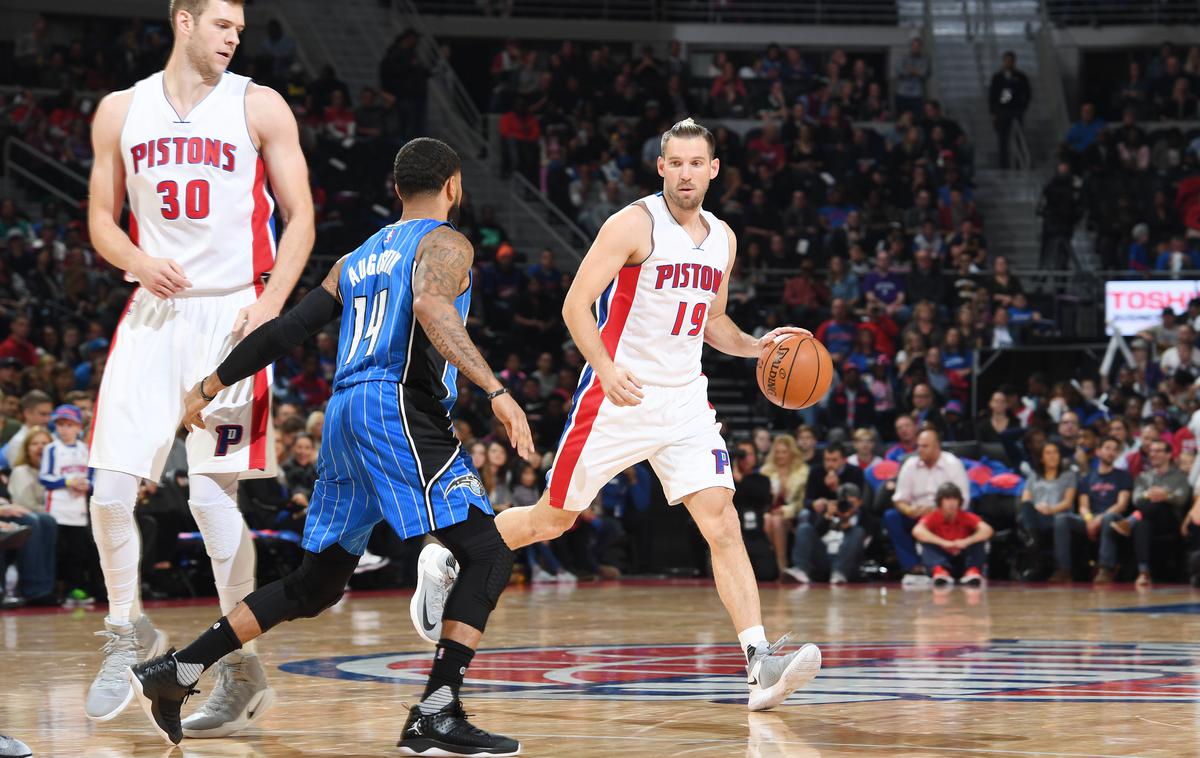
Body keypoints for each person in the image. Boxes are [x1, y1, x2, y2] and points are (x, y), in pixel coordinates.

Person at [129, 138, 531, 755]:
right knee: (488, 551)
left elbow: (289, 328)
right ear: (453, 186)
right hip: (396, 405)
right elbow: (429, 305)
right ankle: (437, 710)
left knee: (314, 585)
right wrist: (498, 390)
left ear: (396, 190)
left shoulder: (356, 258)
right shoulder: (446, 242)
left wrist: (210, 383)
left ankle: (178, 670)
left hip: (343, 414)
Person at [412, 118, 822, 712]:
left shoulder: (723, 239)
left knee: (723, 522)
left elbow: (713, 322)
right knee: (553, 520)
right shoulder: (634, 223)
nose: (684, 173)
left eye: (695, 163)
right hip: (616, 395)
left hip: (684, 401)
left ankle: (759, 660)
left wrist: (758, 346)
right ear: (661, 167)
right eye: (674, 163)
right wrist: (604, 369)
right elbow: (575, 304)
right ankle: (450, 553)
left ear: (713, 169)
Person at [83, 0, 316, 731]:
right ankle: (127, 630)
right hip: (153, 311)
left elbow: (301, 215)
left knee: (212, 501)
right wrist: (135, 258)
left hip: (232, 315)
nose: (233, 37)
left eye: (239, 30)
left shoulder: (261, 105)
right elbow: (98, 217)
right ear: (182, 21)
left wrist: (273, 302)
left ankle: (241, 668)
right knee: (109, 490)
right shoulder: (120, 110)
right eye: (222, 25)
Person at [884, 429, 971, 586]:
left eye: (925, 446)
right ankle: (913, 566)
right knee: (892, 517)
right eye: (919, 446)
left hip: (943, 514)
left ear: (937, 447)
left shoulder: (952, 464)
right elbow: (899, 499)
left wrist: (934, 511)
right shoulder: (910, 464)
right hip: (916, 514)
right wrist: (908, 510)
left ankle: (944, 567)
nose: (920, 450)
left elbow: (962, 501)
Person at [1109, 439, 1189, 586]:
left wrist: (1166, 495)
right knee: (1142, 524)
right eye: (1151, 451)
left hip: (1170, 520)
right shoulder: (1143, 476)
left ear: (1169, 454)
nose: (1153, 454)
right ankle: (1144, 572)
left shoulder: (1179, 476)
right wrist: (1151, 494)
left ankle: (1129, 522)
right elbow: (1137, 499)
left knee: (1158, 505)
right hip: (1148, 518)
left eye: (1158, 451)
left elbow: (1182, 498)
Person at [40, 404, 95, 598]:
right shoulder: (52, 449)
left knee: (76, 552)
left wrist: (87, 484)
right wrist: (68, 481)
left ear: (79, 427)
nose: (64, 429)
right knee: (55, 550)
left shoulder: (85, 450)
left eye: (69, 425)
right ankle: (54, 588)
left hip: (77, 510)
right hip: (56, 508)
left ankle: (74, 588)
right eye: (60, 424)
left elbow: (91, 478)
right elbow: (44, 478)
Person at [1063, 436, 1133, 584]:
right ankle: (1064, 569)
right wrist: (1089, 520)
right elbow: (1083, 506)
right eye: (1107, 448)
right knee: (1061, 520)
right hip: (1091, 517)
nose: (1111, 452)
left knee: (1108, 518)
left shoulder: (1124, 476)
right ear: (1098, 452)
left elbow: (1121, 505)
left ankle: (1105, 569)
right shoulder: (1087, 478)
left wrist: (1099, 519)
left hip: (1113, 517)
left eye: (1115, 450)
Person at [1017, 441, 1078, 582]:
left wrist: (1050, 509)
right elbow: (1026, 498)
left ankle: (1034, 545)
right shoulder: (1034, 476)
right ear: (1041, 458)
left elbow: (1068, 502)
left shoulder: (1068, 476)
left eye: (1055, 452)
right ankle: (1035, 540)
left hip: (1056, 516)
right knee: (1026, 507)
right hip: (1035, 515)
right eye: (1048, 453)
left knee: (1025, 518)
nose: (1052, 456)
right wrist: (1038, 507)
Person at [912, 482, 993, 586]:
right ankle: (939, 571)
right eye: (947, 499)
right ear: (940, 501)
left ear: (959, 501)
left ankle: (972, 571)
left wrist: (966, 541)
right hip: (942, 555)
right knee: (926, 544)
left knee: (980, 542)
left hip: (963, 555)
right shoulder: (933, 516)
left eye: (954, 499)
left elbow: (987, 530)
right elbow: (917, 531)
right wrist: (944, 543)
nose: (951, 503)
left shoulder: (966, 516)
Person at [988, 51, 1031, 169]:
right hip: (1002, 111)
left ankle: (1019, 162)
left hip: (1016, 110)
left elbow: (1027, 93)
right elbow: (993, 95)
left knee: (1018, 137)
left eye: (1010, 60)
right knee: (1003, 138)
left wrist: (1023, 107)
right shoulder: (998, 77)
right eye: (1006, 60)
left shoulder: (1020, 77)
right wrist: (993, 112)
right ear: (1003, 61)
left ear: (1014, 62)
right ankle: (1003, 163)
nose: (1008, 63)